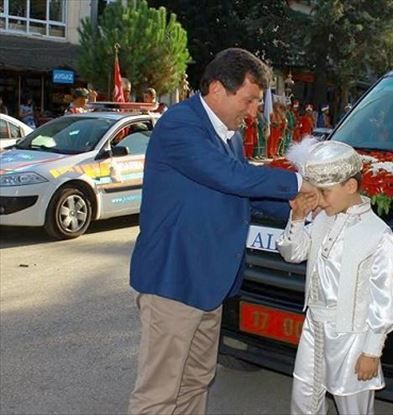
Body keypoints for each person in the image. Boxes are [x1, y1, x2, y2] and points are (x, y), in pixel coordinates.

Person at [128, 47, 315, 415]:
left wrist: (300, 208)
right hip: (174, 282)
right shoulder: (180, 124)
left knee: (197, 379)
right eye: (248, 101)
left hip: (209, 282)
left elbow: (242, 193)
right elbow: (231, 176)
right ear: (217, 89)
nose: (251, 113)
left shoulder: (226, 133)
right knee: (159, 393)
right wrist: (299, 182)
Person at [278, 140, 393, 415]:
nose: (317, 200)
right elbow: (293, 253)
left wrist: (372, 351)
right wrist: (297, 218)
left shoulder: (377, 233)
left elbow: (382, 298)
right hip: (314, 327)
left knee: (351, 403)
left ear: (350, 186)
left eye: (324, 192)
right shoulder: (323, 219)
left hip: (351, 334)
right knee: (304, 397)